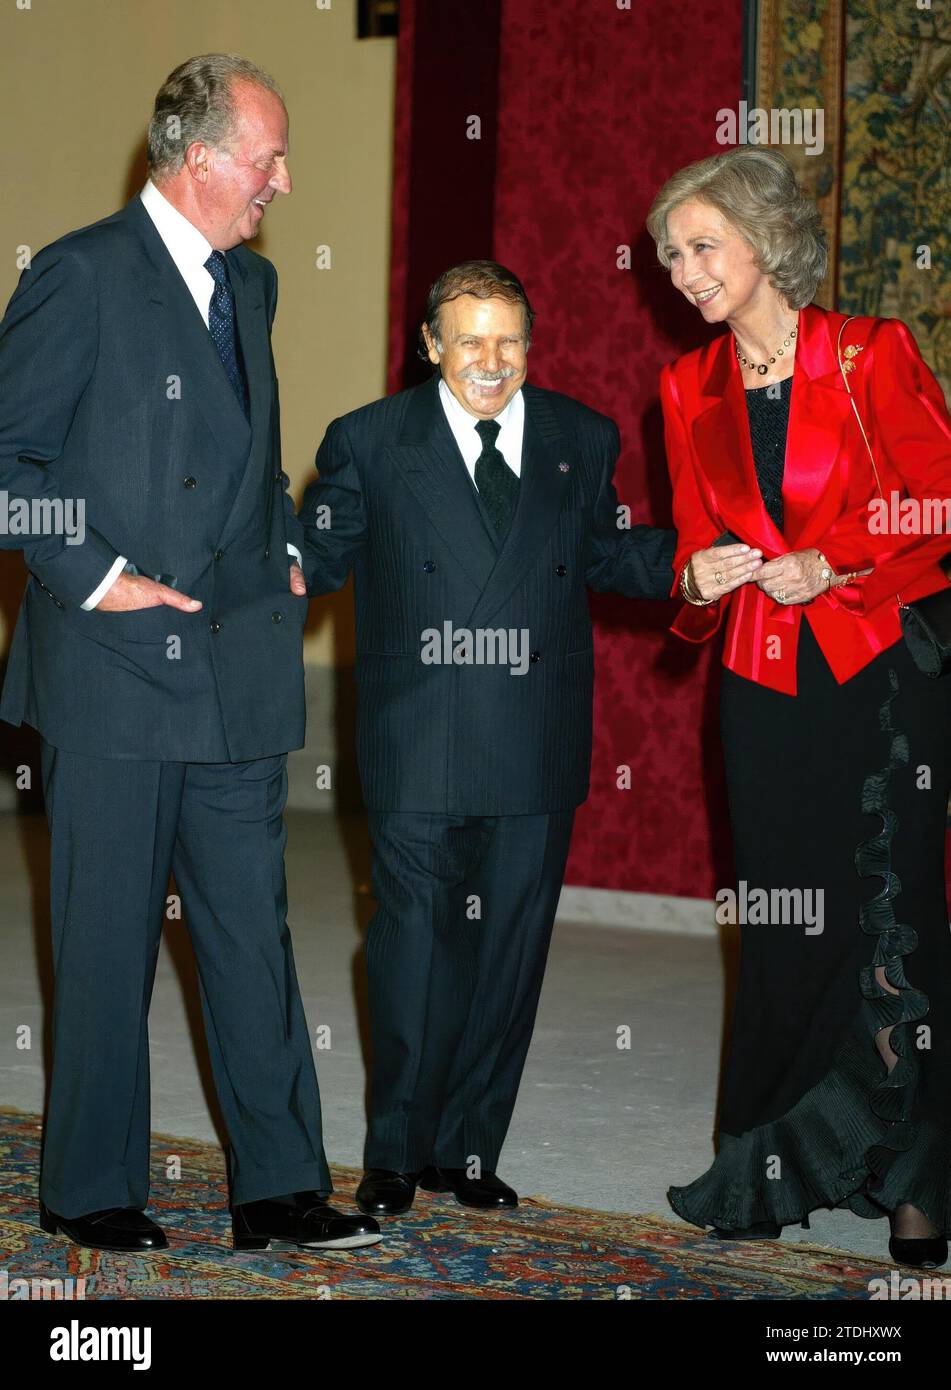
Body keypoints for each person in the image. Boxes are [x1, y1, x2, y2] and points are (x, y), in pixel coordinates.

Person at [0, 53, 380, 1254]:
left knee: (248, 933)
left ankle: (278, 1187)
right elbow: (10, 469)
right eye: (267, 155)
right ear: (201, 156)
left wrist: (277, 541)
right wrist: (103, 580)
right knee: (108, 936)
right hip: (114, 665)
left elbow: (248, 451)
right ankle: (90, 1188)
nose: (283, 177)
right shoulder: (80, 275)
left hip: (236, 659)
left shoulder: (251, 286)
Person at [298, 260, 676, 1216]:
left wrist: (695, 560)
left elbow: (601, 552)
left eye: (508, 339)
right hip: (418, 738)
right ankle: (396, 1151)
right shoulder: (369, 441)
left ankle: (468, 1152)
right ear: (430, 345)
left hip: (533, 739)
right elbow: (318, 555)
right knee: (413, 948)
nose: (490, 360)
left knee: (508, 958)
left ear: (530, 344)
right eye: (468, 339)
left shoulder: (579, 438)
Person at [647, 146, 951, 1267]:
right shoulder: (687, 389)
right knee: (785, 924)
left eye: (700, 246)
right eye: (671, 255)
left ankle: (916, 1177)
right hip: (762, 680)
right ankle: (773, 1164)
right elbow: (688, 545)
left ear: (766, 240)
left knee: (893, 920)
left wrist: (838, 562)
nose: (682, 272)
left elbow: (939, 499)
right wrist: (695, 578)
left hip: (878, 671)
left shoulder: (872, 354)